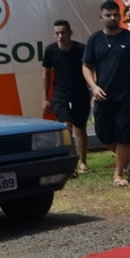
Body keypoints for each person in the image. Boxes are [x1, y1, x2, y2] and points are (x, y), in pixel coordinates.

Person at [82, 0, 130, 187]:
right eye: (108, 15)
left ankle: (118, 174)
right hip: (104, 95)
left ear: (120, 16)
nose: (112, 18)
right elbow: (86, 66)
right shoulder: (94, 40)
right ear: (101, 17)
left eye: (115, 15)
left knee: (124, 134)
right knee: (103, 134)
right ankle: (125, 157)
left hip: (128, 95)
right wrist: (94, 87)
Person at [42, 19, 90, 174]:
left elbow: (90, 69)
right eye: (57, 33)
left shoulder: (81, 49)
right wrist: (45, 98)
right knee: (66, 126)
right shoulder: (50, 50)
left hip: (80, 92)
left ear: (70, 33)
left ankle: (82, 162)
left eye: (63, 32)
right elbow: (46, 74)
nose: (60, 36)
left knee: (80, 128)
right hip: (60, 93)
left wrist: (94, 88)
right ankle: (71, 161)